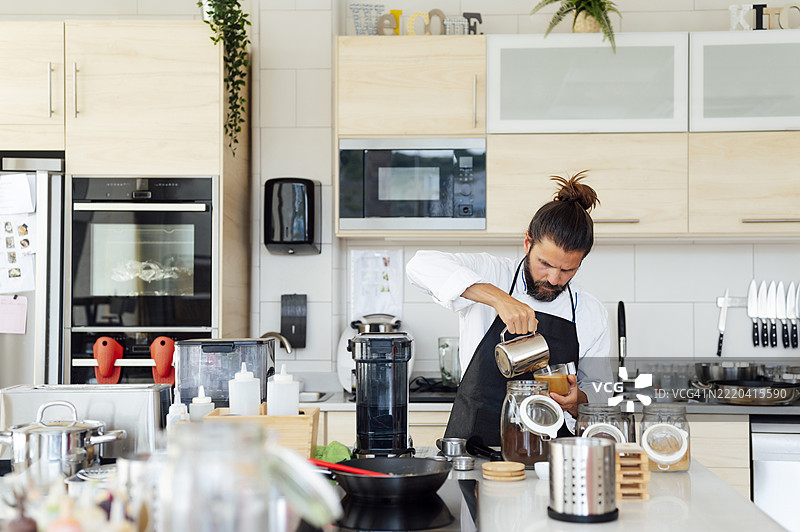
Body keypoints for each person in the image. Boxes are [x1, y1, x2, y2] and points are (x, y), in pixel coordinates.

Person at [406, 172, 613, 446]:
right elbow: (419, 266)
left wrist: (578, 401)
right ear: (528, 243)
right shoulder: (493, 273)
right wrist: (498, 299)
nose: (553, 279)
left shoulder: (589, 311)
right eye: (545, 264)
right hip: (476, 446)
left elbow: (600, 391)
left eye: (567, 270)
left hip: (552, 453)